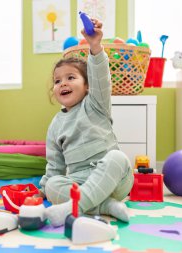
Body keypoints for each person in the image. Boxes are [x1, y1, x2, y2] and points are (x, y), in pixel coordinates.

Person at [39, 18, 134, 227]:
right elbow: (55, 166)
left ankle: (76, 206)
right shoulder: (56, 124)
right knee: (53, 186)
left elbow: (100, 77)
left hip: (115, 180)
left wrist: (95, 46)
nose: (63, 83)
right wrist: (42, 190)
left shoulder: (96, 104)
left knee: (117, 157)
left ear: (88, 86)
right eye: (57, 81)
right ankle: (104, 206)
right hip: (80, 182)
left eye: (71, 77)